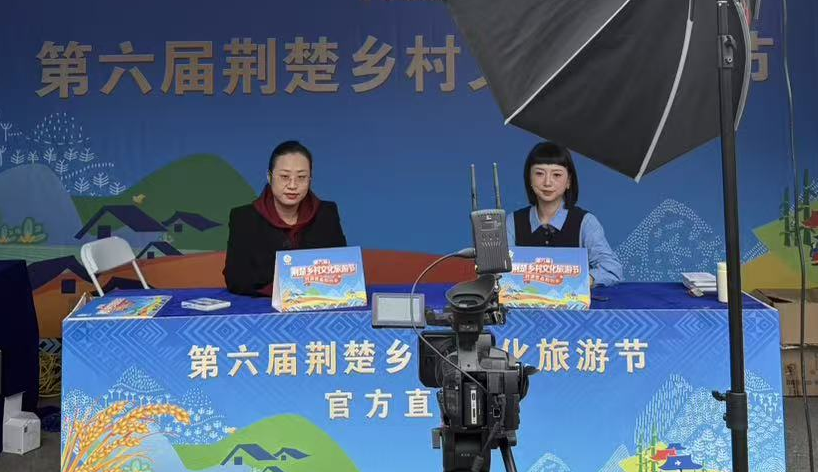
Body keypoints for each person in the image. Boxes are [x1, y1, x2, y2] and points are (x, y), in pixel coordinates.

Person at [223, 140, 347, 295]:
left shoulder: (327, 214)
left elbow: (342, 271)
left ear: (310, 180)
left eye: (301, 177)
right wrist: (288, 289)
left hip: (316, 304)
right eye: (284, 176)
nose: (292, 185)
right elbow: (235, 279)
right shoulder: (244, 218)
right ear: (269, 177)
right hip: (265, 305)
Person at [507, 141, 622, 287]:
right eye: (539, 173)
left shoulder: (585, 222)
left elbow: (612, 269)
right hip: (524, 301)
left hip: (573, 301)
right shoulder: (512, 222)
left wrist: (585, 280)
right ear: (529, 178)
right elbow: (499, 271)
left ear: (568, 181)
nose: (547, 182)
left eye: (556, 174)